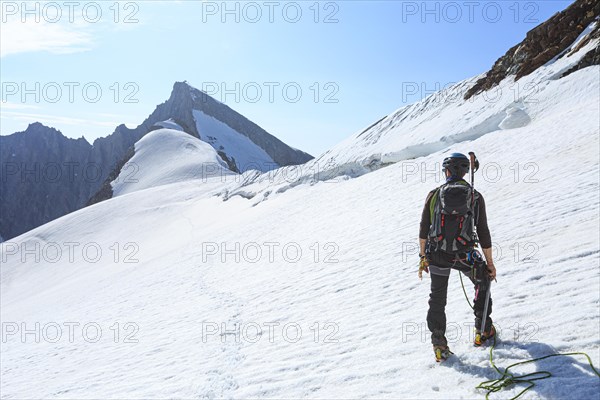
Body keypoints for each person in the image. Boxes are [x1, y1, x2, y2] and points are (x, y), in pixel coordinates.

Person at [418, 152, 497, 361]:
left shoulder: (434, 195)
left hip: (437, 255)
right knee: (483, 281)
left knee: (437, 298)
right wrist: (490, 264)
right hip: (465, 255)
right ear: (465, 171)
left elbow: (424, 228)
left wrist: (422, 256)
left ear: (446, 171)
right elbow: (483, 232)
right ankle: (483, 330)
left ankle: (439, 345)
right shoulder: (475, 195)